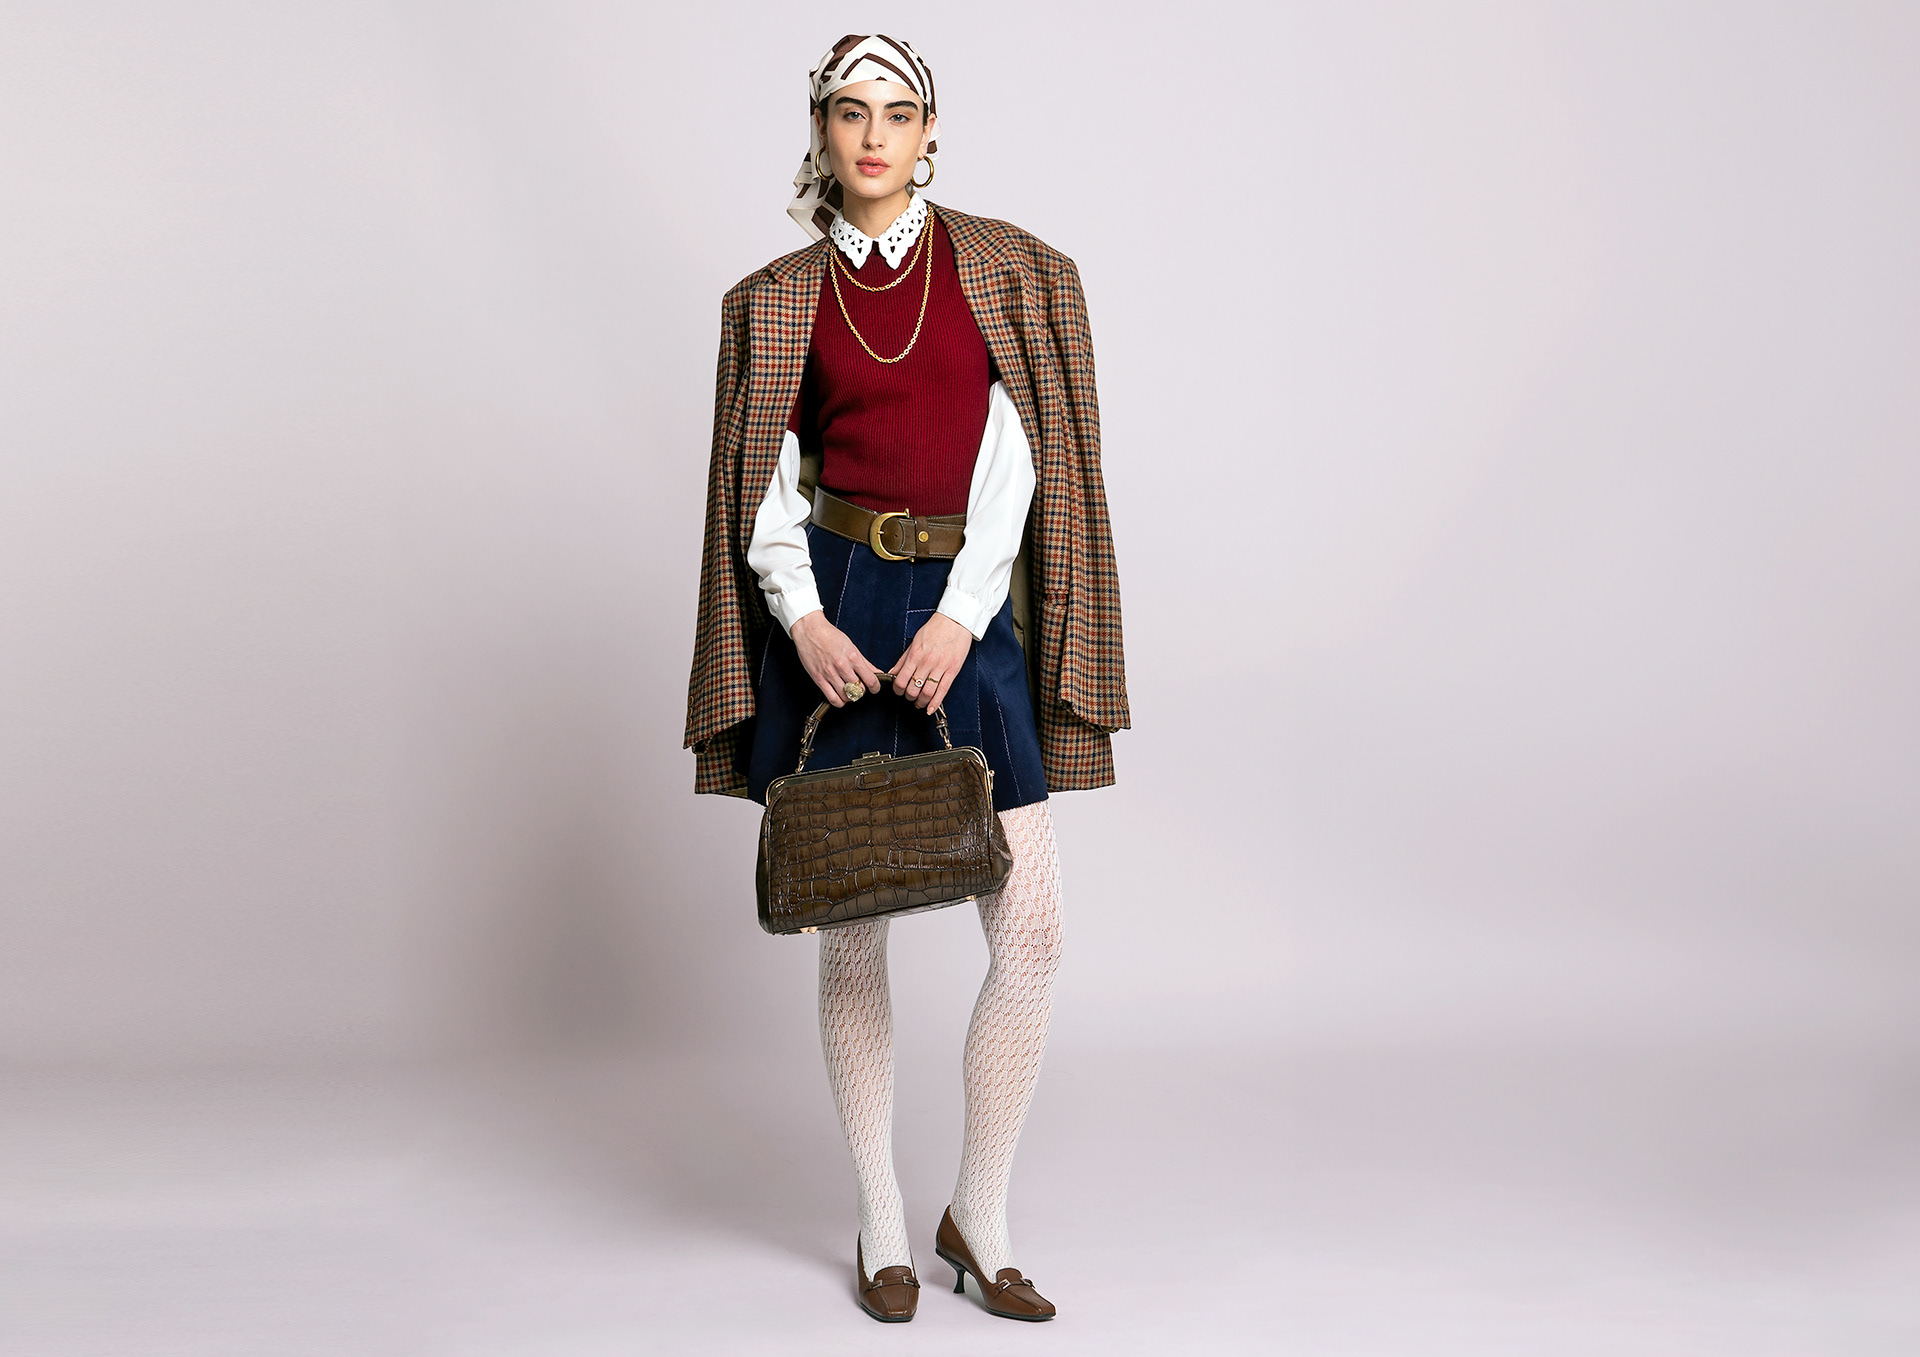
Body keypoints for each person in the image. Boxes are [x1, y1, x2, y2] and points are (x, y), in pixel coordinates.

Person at [682, 33, 1128, 1323]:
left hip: (963, 612)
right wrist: (805, 620)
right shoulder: (775, 301)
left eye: (896, 113)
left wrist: (965, 616)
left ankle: (979, 1213)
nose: (872, 136)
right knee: (853, 920)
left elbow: (1019, 460)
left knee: (1032, 926)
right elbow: (762, 484)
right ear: (820, 132)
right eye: (848, 112)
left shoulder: (1004, 273)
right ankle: (882, 1213)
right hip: (833, 610)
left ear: (931, 133)